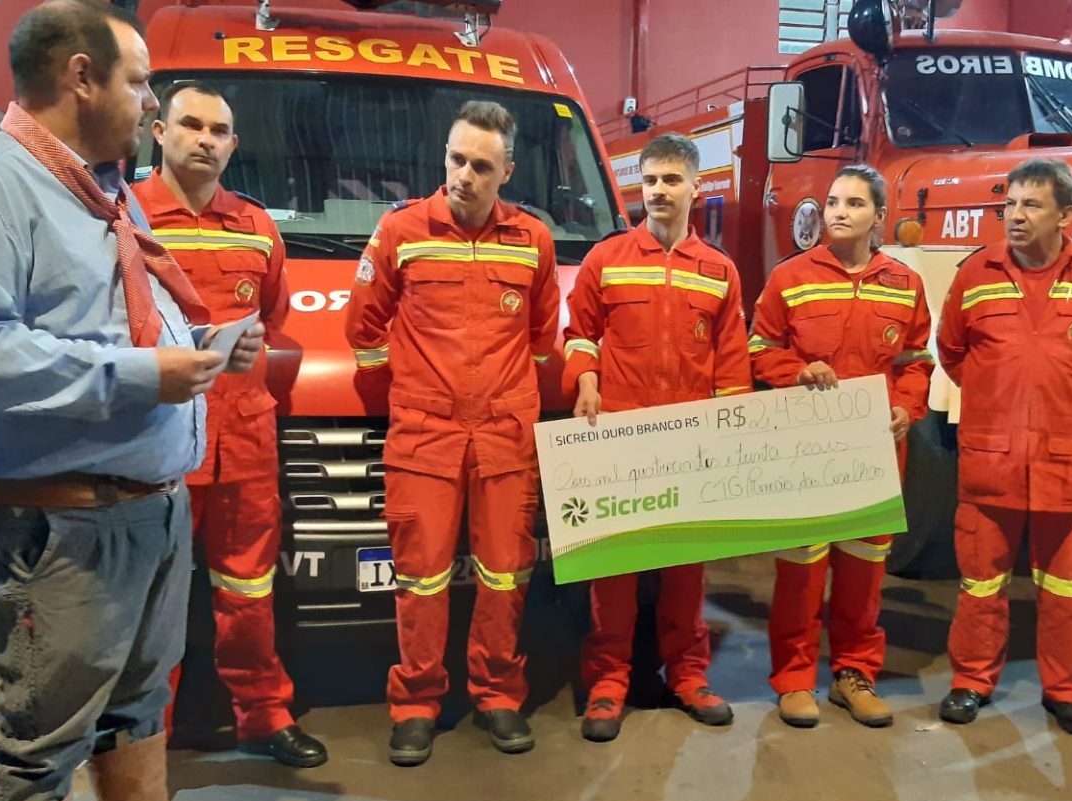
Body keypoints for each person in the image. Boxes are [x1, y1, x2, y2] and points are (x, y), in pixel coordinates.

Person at [0, 1, 265, 801]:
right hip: (60, 525)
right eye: (140, 81)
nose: (152, 102)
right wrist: (143, 375)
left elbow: (105, 319)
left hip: (145, 511)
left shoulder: (103, 191)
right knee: (40, 743)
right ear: (81, 77)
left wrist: (200, 343)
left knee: (135, 711)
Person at [345, 101, 559, 766]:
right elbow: (362, 327)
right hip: (425, 436)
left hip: (504, 436)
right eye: (457, 159)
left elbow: (542, 339)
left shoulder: (534, 240)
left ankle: (498, 694)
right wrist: (407, 391)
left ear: (507, 172)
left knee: (505, 576)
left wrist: (506, 396)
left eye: (481, 166)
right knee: (421, 578)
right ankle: (416, 703)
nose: (465, 175)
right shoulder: (401, 230)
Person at [133, 82, 327, 768]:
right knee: (152, 599)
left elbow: (270, 313)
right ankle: (143, 736)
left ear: (234, 145)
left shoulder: (256, 225)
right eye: (191, 125)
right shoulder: (126, 217)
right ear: (160, 131)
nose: (205, 140)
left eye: (219, 131)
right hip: (156, 441)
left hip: (244, 438)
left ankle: (263, 715)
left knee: (249, 593)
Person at [561, 132, 752, 742]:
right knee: (613, 568)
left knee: (685, 569)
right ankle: (608, 682)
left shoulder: (719, 271)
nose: (659, 191)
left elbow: (731, 361)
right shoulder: (607, 259)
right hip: (619, 436)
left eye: (671, 180)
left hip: (689, 441)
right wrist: (586, 379)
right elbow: (579, 333)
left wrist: (731, 431)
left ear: (696, 186)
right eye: (649, 181)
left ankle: (689, 676)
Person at [935, 157, 1072, 737]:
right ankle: (971, 681)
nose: (1015, 216)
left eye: (1031, 205)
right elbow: (952, 352)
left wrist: (1067, 404)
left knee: (1068, 587)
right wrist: (997, 401)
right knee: (980, 582)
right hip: (991, 458)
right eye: (1011, 204)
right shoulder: (975, 274)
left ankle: (1066, 691)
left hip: (1067, 461)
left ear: (1067, 214)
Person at [748, 165, 934, 729]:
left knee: (863, 570)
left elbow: (916, 359)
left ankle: (854, 674)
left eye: (854, 203)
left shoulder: (904, 284)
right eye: (832, 202)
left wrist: (907, 407)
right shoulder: (790, 277)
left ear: (880, 216)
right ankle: (794, 679)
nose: (839, 212)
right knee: (801, 570)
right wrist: (798, 371)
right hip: (806, 450)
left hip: (875, 451)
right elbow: (759, 347)